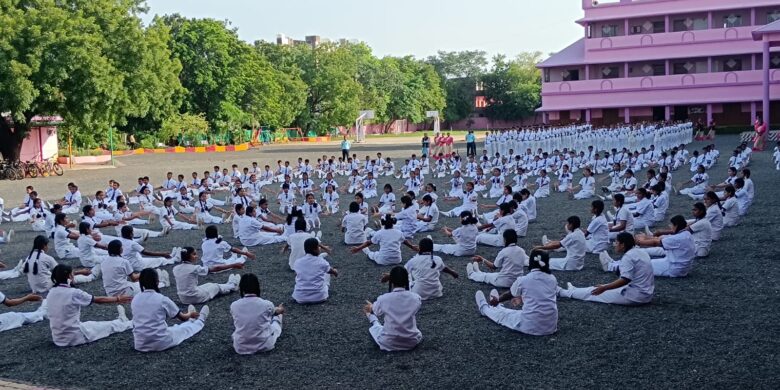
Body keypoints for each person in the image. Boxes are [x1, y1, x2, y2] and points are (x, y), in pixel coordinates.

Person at [474, 250, 558, 336]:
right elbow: (540, 294)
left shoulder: (524, 280)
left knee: (504, 317)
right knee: (514, 313)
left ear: (531, 262)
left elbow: (509, 294)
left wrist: (498, 300)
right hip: (551, 326)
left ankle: (484, 308)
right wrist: (521, 298)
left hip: (532, 325)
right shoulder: (552, 279)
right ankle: (498, 308)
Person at [47, 264, 133, 347]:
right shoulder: (73, 292)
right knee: (109, 327)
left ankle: (121, 320)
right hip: (75, 337)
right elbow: (98, 300)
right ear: (69, 276)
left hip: (58, 338)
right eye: (72, 274)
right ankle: (131, 323)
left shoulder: (51, 292)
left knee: (93, 324)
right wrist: (118, 298)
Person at [560, 232, 654, 306]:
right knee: (598, 288)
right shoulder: (640, 252)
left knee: (595, 293)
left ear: (623, 244)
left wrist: (605, 288)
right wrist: (606, 286)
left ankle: (564, 293)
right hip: (645, 293)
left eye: (617, 242)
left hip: (635, 297)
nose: (615, 245)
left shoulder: (628, 257)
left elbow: (625, 279)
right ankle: (575, 290)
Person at [131, 268, 209, 352]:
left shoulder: (135, 298)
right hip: (161, 342)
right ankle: (200, 320)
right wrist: (189, 314)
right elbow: (182, 317)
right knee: (185, 330)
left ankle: (191, 321)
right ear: (157, 281)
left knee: (174, 328)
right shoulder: (162, 299)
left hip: (140, 344)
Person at [362, 266, 422, 351]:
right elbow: (410, 297)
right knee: (417, 332)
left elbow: (376, 311)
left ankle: (372, 319)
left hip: (389, 342)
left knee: (376, 326)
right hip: (411, 341)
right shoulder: (416, 298)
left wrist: (371, 307)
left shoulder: (384, 299)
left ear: (391, 282)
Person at [231, 273, 286, 354]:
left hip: (240, 347)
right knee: (276, 320)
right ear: (258, 287)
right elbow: (278, 311)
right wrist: (281, 309)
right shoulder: (266, 304)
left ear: (241, 288)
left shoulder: (234, 305)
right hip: (264, 345)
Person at [172, 247, 242, 305]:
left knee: (209, 284)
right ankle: (233, 286)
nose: (196, 256)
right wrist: (233, 265)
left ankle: (228, 285)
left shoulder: (175, 268)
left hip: (183, 299)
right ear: (188, 256)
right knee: (216, 287)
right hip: (195, 298)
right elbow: (216, 269)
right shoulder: (194, 268)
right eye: (194, 254)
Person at [351, 215, 415, 265]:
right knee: (379, 253)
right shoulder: (399, 233)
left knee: (373, 254)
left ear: (383, 223)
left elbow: (369, 243)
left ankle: (367, 252)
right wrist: (412, 246)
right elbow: (404, 241)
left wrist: (358, 248)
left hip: (383, 260)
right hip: (397, 259)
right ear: (393, 223)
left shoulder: (380, 233)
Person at [292, 238, 339, 304]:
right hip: (320, 297)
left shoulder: (298, 262)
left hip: (300, 298)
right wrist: (335, 272)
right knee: (326, 272)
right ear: (315, 249)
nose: (320, 249)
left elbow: (296, 274)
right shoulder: (321, 261)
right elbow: (331, 271)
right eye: (318, 247)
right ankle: (326, 287)